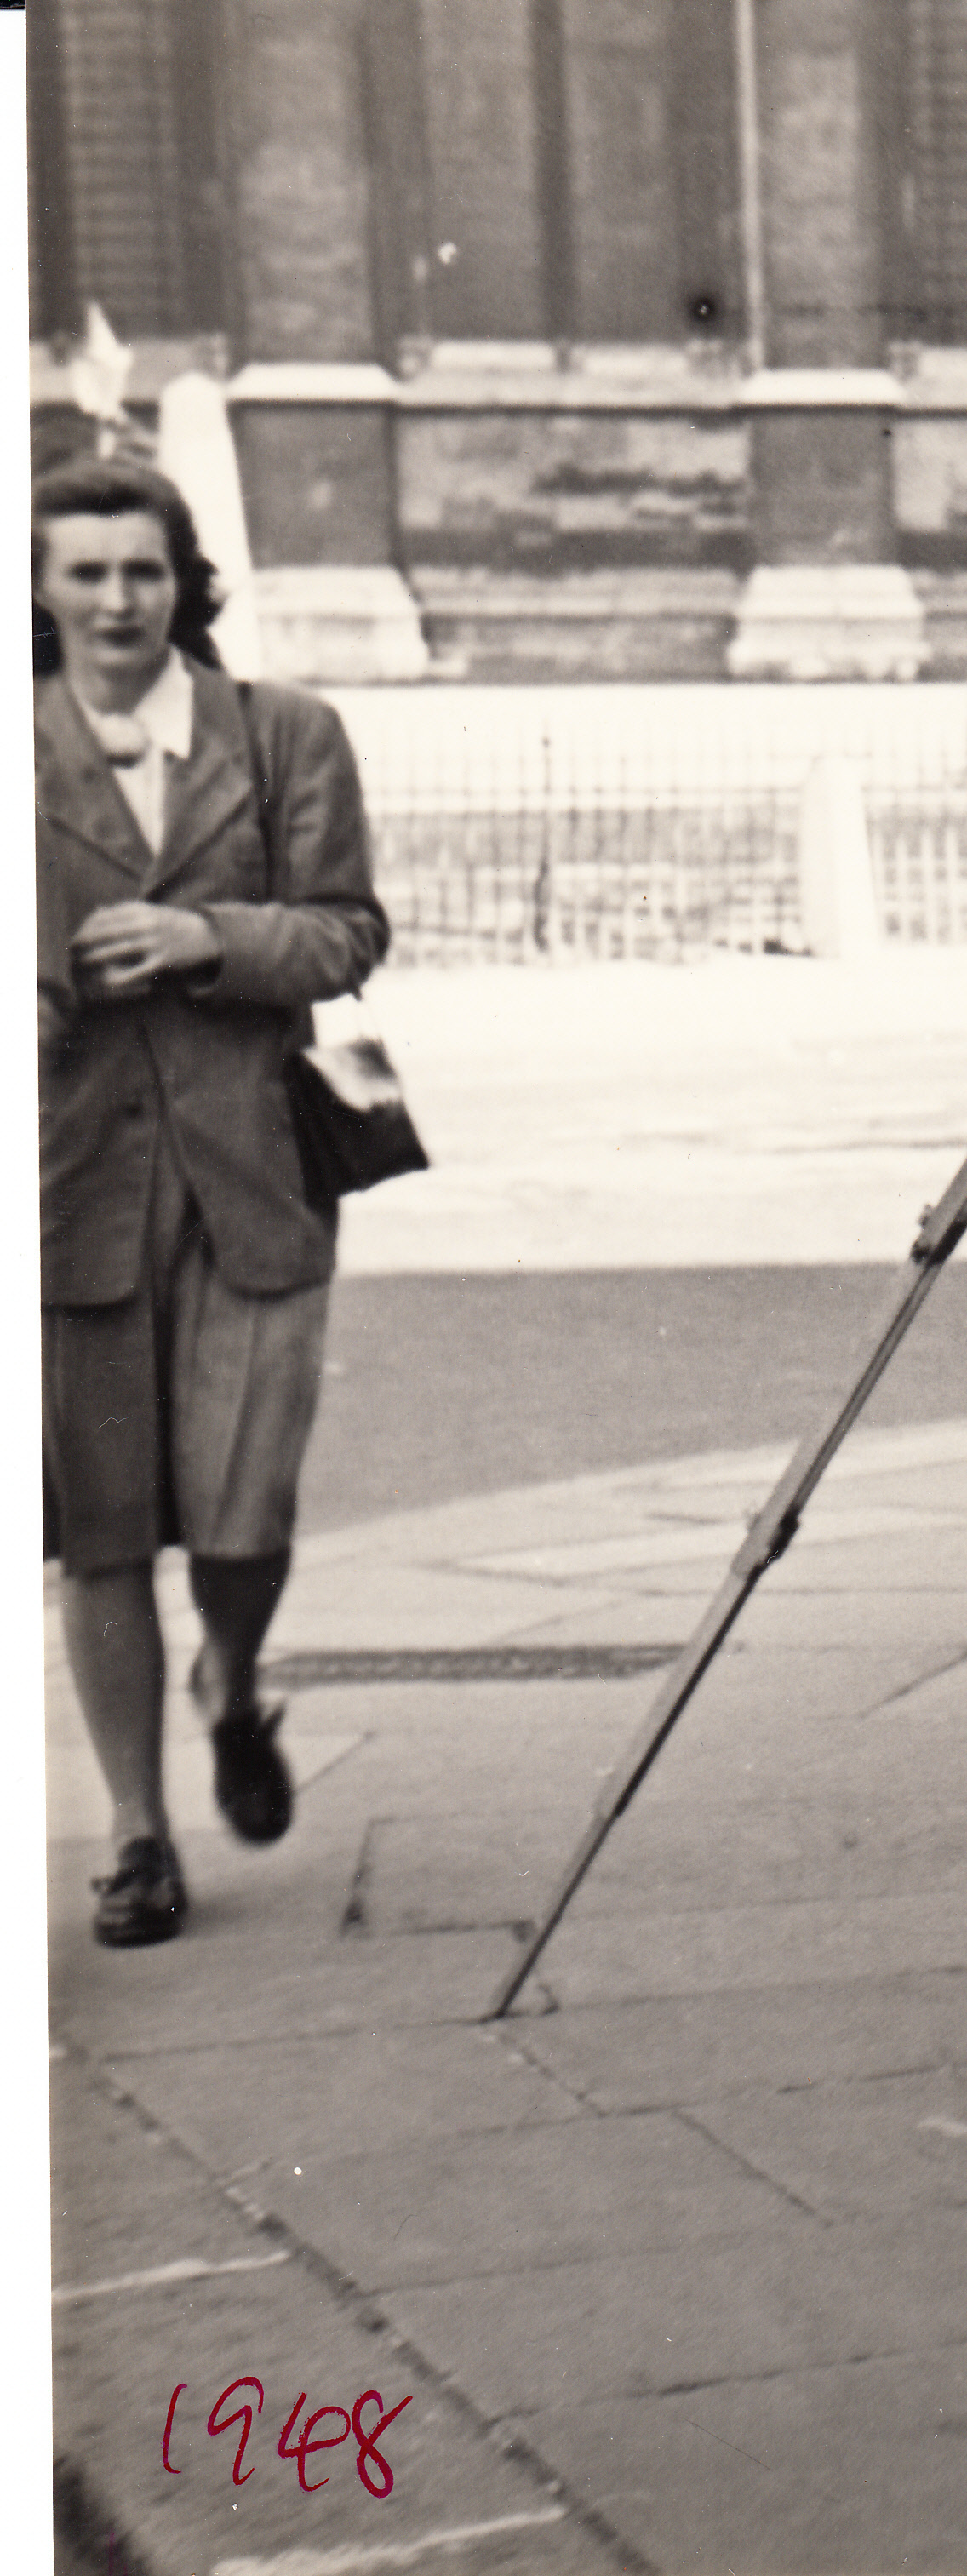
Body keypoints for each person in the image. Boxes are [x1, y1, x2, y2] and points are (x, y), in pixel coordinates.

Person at [36, 455, 389, 1947]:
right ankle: (134, 1835)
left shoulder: (283, 734)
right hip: (64, 1193)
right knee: (100, 1530)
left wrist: (203, 936)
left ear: (186, 582)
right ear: (39, 592)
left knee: (246, 1513)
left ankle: (232, 1684)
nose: (118, 600)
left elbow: (346, 933)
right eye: (86, 572)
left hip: (254, 1175)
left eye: (144, 571)